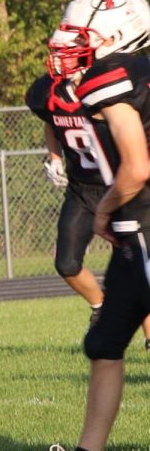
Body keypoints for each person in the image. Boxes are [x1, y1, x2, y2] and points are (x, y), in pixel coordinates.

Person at [17, 0, 150, 451]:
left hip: (140, 218)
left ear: (120, 38)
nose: (70, 50)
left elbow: (136, 168)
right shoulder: (112, 77)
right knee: (105, 342)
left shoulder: (121, 80)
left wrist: (104, 208)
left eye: (83, 39)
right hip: (133, 226)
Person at [26, 25, 150, 344]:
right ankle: (100, 306)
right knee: (66, 262)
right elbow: (51, 123)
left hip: (119, 186)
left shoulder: (108, 88)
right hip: (82, 189)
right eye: (55, 52)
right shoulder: (47, 92)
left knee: (136, 266)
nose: (56, 60)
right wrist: (54, 157)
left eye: (64, 53)